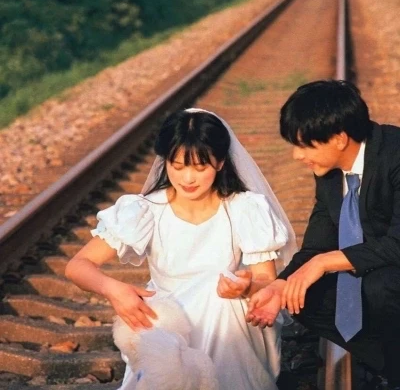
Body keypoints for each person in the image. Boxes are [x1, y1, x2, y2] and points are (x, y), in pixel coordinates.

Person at [65, 108, 297, 390]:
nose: (188, 178)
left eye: (200, 168)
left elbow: (266, 281)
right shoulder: (148, 209)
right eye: (177, 166)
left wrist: (246, 287)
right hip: (168, 319)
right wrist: (113, 290)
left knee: (219, 301)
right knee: (165, 334)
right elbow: (78, 266)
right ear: (165, 162)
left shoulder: (243, 208)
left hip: (226, 319)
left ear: (220, 163)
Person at [246, 80, 400, 390]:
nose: (296, 156)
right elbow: (317, 243)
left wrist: (325, 262)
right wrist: (281, 284)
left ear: (340, 139)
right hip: (378, 269)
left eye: (305, 146)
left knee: (380, 286)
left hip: (389, 272)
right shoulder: (329, 173)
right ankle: (391, 366)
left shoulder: (395, 155)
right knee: (301, 294)